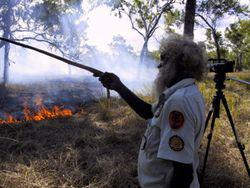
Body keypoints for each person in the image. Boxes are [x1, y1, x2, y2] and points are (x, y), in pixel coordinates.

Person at [98, 36, 207, 188]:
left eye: (164, 59)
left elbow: (183, 174)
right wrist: (119, 87)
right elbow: (149, 113)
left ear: (180, 63)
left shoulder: (179, 102)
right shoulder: (185, 93)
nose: (159, 65)